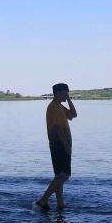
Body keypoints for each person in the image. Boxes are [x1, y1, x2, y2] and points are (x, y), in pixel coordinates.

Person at [36, 83, 77, 211]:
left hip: (61, 144)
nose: (67, 94)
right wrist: (66, 146)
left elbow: (73, 115)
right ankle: (43, 200)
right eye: (66, 92)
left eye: (68, 93)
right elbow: (58, 129)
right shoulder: (53, 107)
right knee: (64, 175)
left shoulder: (59, 106)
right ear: (58, 92)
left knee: (59, 175)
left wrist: (69, 100)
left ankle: (60, 203)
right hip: (58, 145)